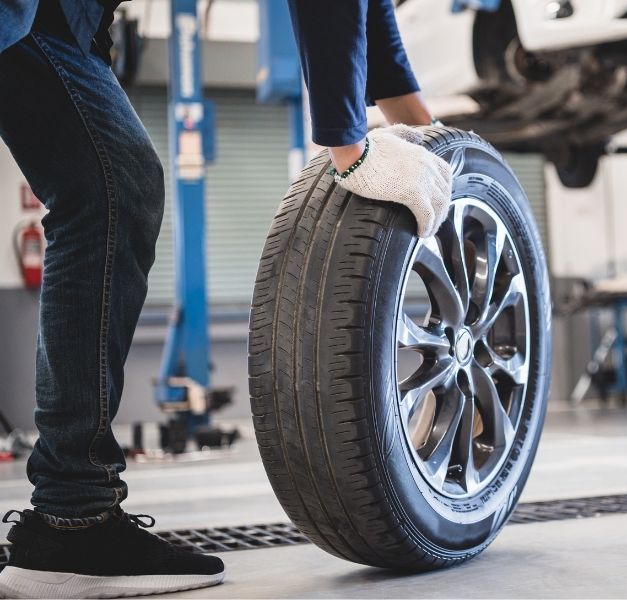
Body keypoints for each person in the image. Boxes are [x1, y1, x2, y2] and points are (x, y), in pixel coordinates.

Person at [0, 0, 451, 597]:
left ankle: (71, 519)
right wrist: (349, 147)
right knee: (111, 190)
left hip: (54, 21)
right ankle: (72, 519)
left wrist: (428, 135)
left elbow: (365, 16)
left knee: (108, 188)